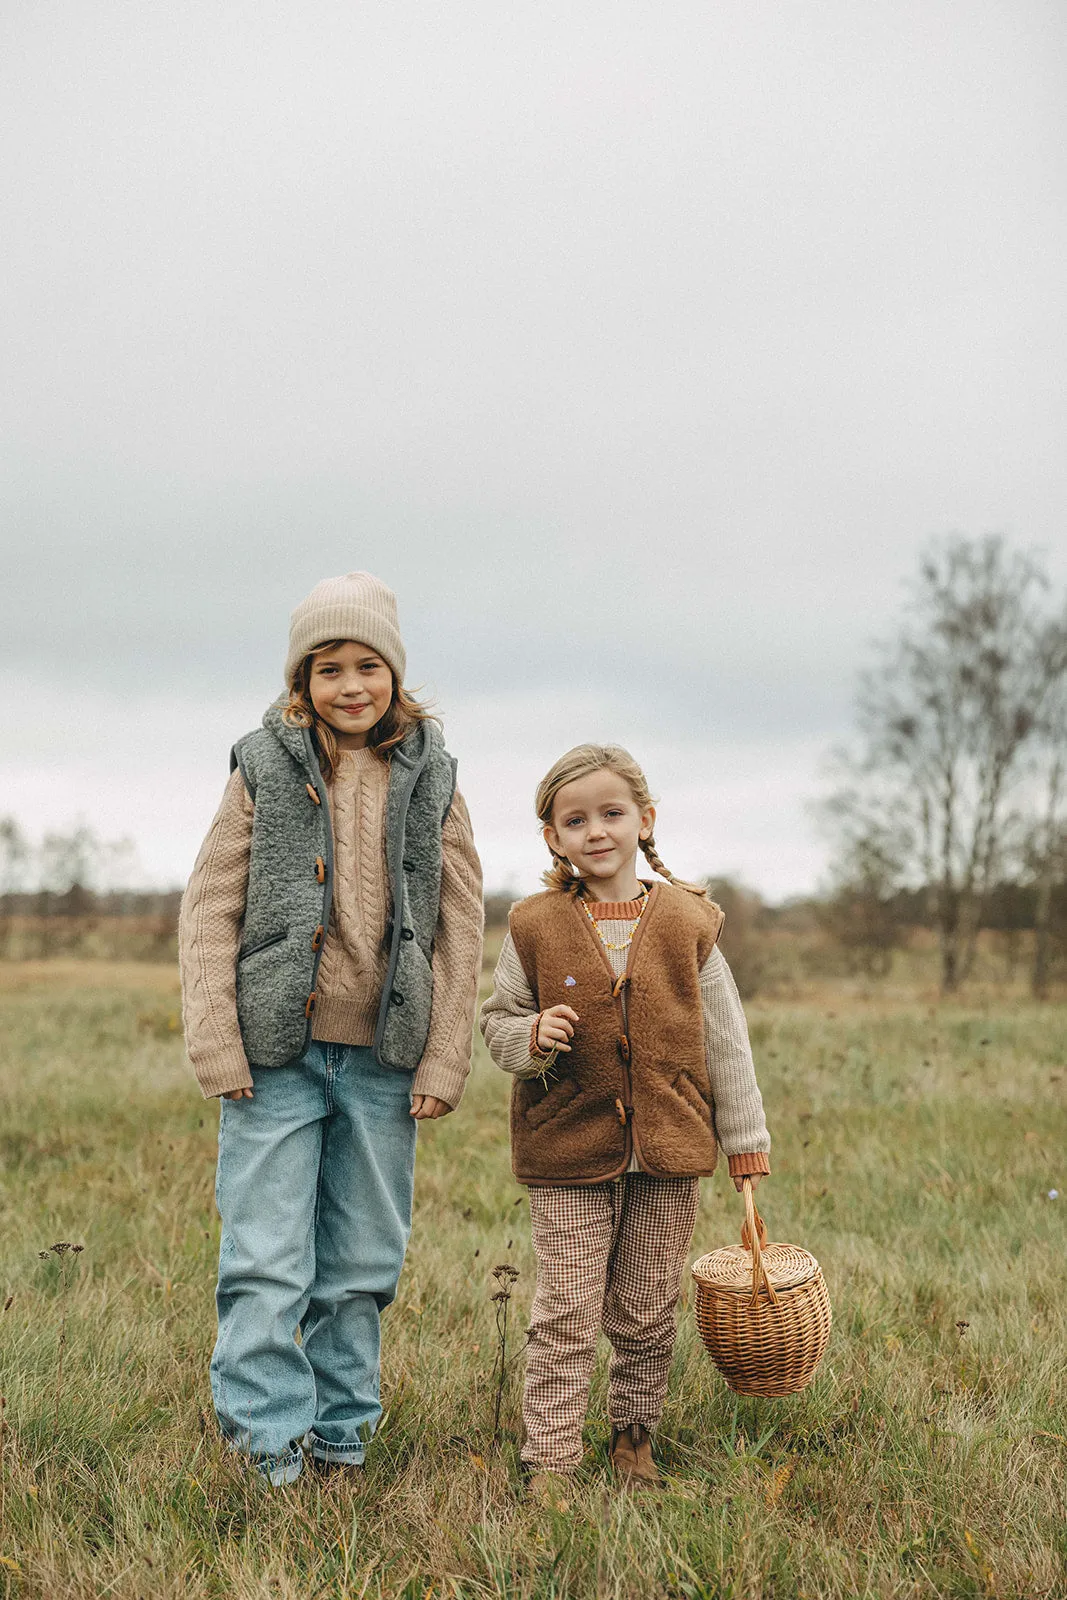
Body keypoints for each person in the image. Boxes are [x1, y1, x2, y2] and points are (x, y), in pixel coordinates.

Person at [179, 571, 483, 1486]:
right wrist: (216, 1039)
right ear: (300, 681)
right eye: (327, 669)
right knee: (267, 1259)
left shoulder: (433, 775)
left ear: (393, 671)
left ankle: (341, 1440)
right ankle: (267, 1450)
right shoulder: (261, 768)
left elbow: (460, 924)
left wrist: (444, 1051)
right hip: (277, 1056)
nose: (350, 686)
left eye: (367, 666)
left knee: (358, 1263)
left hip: (388, 1060)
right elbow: (208, 908)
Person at [480, 743, 769, 1499]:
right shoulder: (533, 925)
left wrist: (744, 1143)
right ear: (552, 836)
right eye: (574, 819)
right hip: (567, 1149)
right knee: (567, 1309)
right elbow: (499, 1023)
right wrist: (532, 1037)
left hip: (669, 1150)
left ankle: (633, 1440)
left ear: (644, 820)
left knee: (645, 1308)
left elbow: (726, 1045)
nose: (595, 831)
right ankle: (549, 1460)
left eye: (611, 813)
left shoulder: (687, 922)